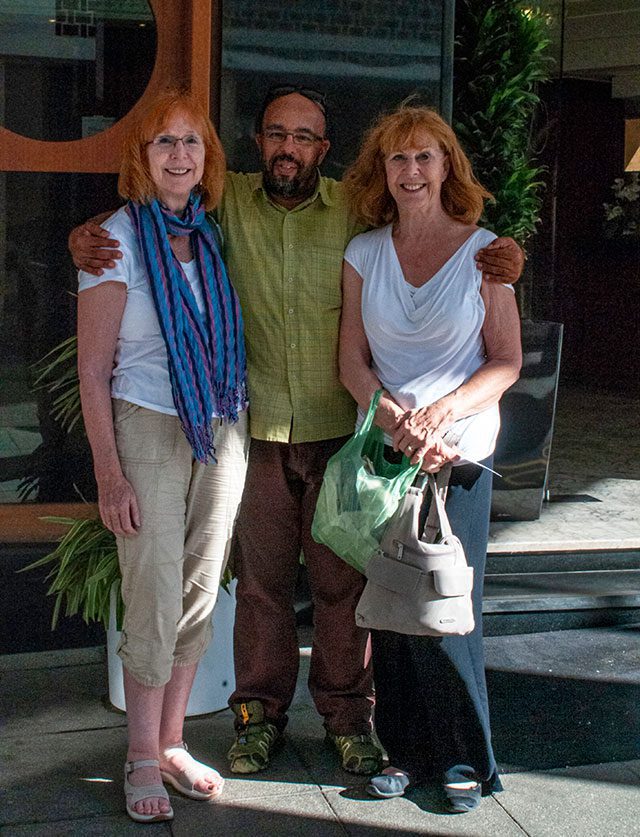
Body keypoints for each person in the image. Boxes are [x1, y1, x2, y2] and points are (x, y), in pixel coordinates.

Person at [69, 84, 524, 778]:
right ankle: (258, 717)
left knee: (344, 587)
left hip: (341, 430)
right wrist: (85, 235)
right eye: (277, 134)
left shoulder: (354, 208)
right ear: (258, 143)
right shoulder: (227, 201)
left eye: (304, 136)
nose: (289, 147)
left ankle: (349, 720)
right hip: (252, 431)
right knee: (261, 587)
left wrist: (507, 256)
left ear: (324, 148)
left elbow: (431, 229)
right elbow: (155, 206)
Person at [339, 104, 522, 812]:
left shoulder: (487, 254)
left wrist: (441, 414)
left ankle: (466, 757)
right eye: (398, 158)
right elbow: (351, 361)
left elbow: (505, 361)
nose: (411, 171)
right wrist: (391, 418)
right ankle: (405, 752)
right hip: (387, 453)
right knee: (392, 607)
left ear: (448, 167)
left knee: (448, 608)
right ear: (381, 170)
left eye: (424, 157)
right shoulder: (363, 253)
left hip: (459, 455)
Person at [77, 90, 248, 823]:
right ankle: (141, 754)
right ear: (141, 157)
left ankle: (174, 742)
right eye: (164, 142)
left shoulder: (212, 233)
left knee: (200, 584)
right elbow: (92, 371)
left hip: (222, 424)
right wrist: (109, 474)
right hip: (146, 423)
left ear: (208, 155)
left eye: (191, 141)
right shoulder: (112, 241)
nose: (180, 155)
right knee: (151, 588)